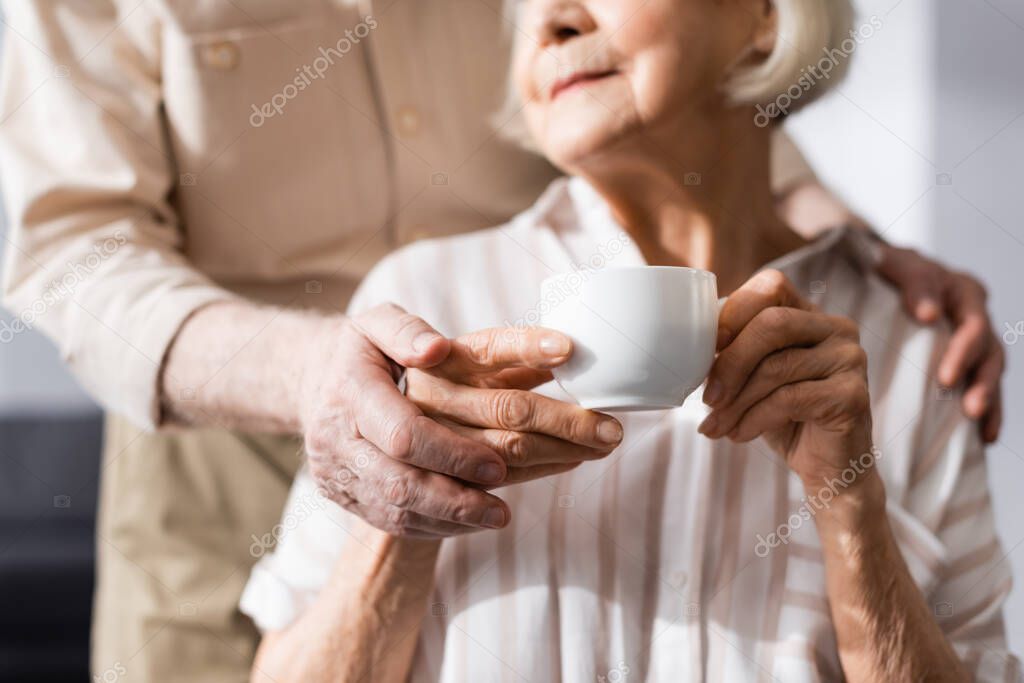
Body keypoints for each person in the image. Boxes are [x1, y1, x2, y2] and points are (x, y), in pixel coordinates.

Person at [0, 1, 1007, 680]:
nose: (548, 16)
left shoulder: (888, 347)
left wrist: (868, 264)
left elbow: (701, 105)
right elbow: (67, 248)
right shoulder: (429, 286)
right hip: (225, 420)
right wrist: (343, 387)